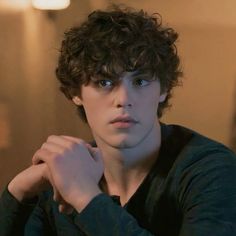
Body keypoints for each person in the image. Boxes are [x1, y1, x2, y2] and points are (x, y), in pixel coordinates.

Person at [1, 5, 236, 236]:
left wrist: (85, 198)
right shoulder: (65, 171)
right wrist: (18, 190)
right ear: (76, 93)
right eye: (104, 82)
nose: (123, 100)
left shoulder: (210, 169)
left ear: (163, 89)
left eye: (140, 81)